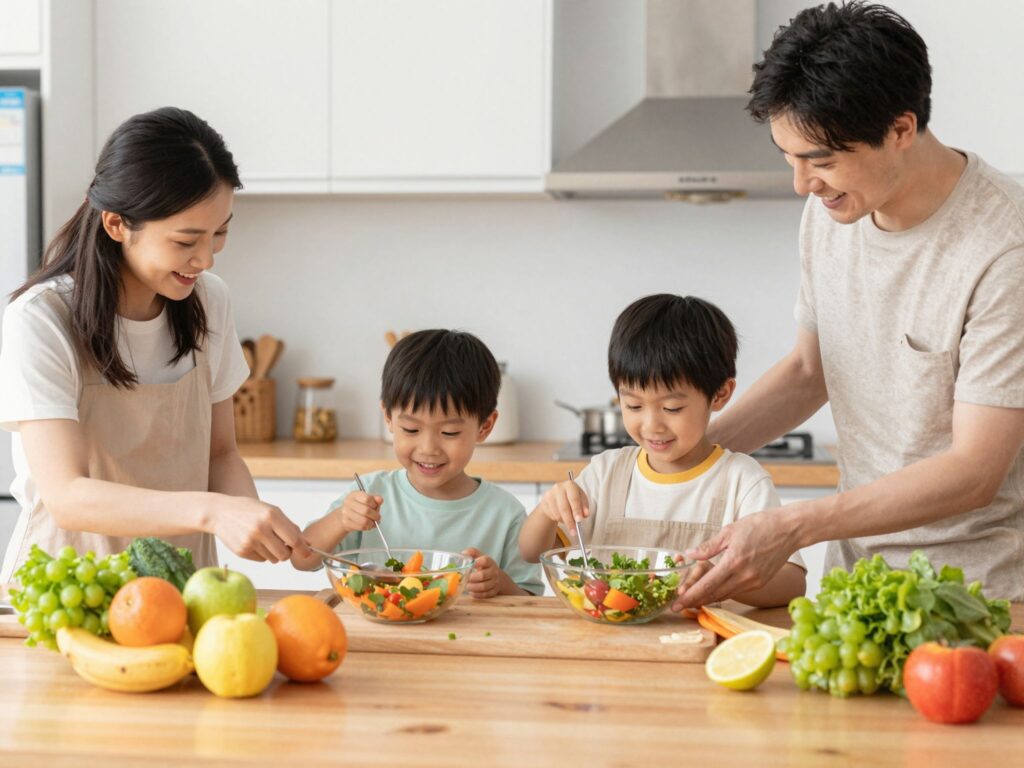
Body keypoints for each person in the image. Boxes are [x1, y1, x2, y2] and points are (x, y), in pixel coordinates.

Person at [674, 1, 1024, 610]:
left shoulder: (1004, 247)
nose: (802, 184)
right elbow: (810, 372)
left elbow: (975, 470)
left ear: (901, 129)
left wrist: (792, 527)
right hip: (854, 585)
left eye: (822, 160)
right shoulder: (831, 212)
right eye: (788, 157)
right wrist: (683, 462)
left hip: (976, 599)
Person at [0, 107, 305, 582]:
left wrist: (251, 518)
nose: (206, 258)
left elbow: (220, 454)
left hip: (183, 585)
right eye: (186, 241)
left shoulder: (209, 302)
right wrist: (214, 512)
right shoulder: (41, 319)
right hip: (69, 586)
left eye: (220, 232)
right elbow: (66, 495)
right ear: (116, 224)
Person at [519, 294, 806, 608]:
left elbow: (792, 583)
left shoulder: (741, 480)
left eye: (672, 408)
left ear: (720, 394)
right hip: (606, 634)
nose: (652, 425)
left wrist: (721, 577)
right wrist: (547, 510)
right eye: (633, 405)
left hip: (699, 636)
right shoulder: (607, 472)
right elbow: (530, 552)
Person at [291, 329, 544, 598]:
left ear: (485, 426)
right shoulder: (369, 494)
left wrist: (501, 584)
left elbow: (530, 601)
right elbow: (303, 558)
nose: (428, 448)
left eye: (449, 433)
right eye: (411, 429)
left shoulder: (506, 514)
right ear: (388, 418)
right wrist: (341, 520)